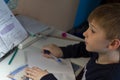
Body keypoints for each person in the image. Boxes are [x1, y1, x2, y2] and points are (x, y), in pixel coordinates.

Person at [25, 3, 120, 80]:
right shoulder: (103, 51)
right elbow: (84, 48)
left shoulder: (108, 76)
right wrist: (62, 52)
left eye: (93, 31)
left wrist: (46, 78)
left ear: (113, 44)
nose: (84, 33)